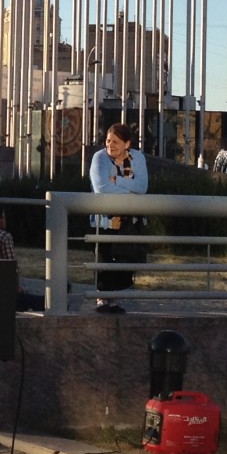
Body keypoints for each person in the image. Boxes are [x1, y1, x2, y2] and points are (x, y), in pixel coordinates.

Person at [88, 122, 149, 313]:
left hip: (129, 220)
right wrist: (130, 192)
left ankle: (113, 298)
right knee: (104, 256)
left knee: (126, 258)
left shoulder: (137, 158)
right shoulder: (99, 158)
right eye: (107, 141)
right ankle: (102, 299)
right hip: (105, 218)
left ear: (127, 144)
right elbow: (102, 189)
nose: (110, 145)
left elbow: (142, 187)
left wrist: (118, 180)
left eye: (115, 141)